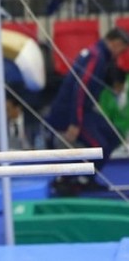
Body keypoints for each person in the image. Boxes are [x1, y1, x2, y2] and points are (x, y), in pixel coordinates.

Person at [46, 28, 129, 194]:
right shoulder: (96, 56)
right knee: (99, 146)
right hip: (69, 113)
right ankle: (67, 179)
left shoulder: (100, 55)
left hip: (83, 111)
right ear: (116, 43)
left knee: (113, 135)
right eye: (122, 49)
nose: (120, 54)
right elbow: (80, 89)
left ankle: (87, 178)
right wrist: (75, 122)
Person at [99, 64, 129, 143]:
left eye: (118, 86)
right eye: (113, 88)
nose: (116, 90)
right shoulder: (105, 95)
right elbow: (106, 118)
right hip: (120, 133)